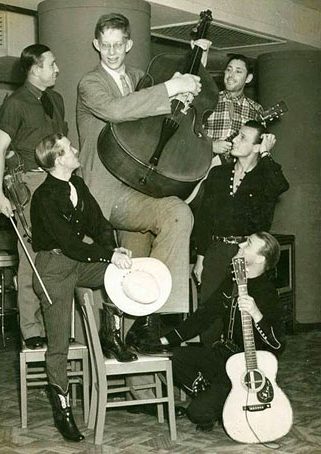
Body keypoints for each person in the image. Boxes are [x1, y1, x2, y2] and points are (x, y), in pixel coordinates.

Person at [76, 12, 210, 352]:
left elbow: (173, 103)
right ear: (96, 45)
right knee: (177, 213)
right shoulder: (90, 84)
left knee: (134, 286)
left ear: (129, 44)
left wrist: (194, 65)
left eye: (117, 45)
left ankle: (140, 374)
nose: (111, 51)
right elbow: (118, 110)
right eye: (104, 45)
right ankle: (158, 314)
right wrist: (170, 88)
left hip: (142, 188)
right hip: (108, 195)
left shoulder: (141, 77)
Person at [30, 132, 136, 442]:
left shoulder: (77, 185)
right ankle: (63, 412)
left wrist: (115, 252)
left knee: (118, 275)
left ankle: (110, 334)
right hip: (54, 270)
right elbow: (69, 244)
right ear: (59, 159)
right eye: (69, 148)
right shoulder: (46, 196)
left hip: (78, 263)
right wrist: (108, 255)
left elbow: (98, 223)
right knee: (59, 346)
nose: (76, 149)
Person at [159, 231, 285, 431]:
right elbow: (203, 316)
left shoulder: (267, 292)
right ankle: (218, 397)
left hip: (247, 369)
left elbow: (277, 344)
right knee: (175, 357)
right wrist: (165, 340)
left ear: (260, 258)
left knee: (198, 413)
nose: (241, 245)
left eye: (248, 244)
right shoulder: (232, 281)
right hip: (224, 356)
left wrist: (256, 313)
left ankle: (225, 400)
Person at [0, 44, 68, 349]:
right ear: (35, 70)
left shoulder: (56, 100)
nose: (57, 69)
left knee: (60, 260)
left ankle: (57, 326)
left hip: (58, 186)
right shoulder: (16, 103)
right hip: (31, 187)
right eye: (51, 64)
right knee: (31, 260)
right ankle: (31, 329)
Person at [193, 120, 289, 306]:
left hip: (247, 254)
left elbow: (281, 186)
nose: (235, 139)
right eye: (238, 134)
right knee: (208, 318)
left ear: (256, 147)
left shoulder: (265, 178)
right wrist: (201, 258)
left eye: (242, 137)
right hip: (216, 251)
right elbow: (204, 219)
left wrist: (266, 153)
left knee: (241, 314)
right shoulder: (218, 174)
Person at [203, 53, 263, 168]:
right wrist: (210, 146)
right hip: (202, 165)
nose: (231, 75)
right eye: (229, 70)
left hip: (235, 172)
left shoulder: (256, 109)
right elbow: (189, 134)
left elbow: (256, 150)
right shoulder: (208, 99)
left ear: (248, 78)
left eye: (238, 71)